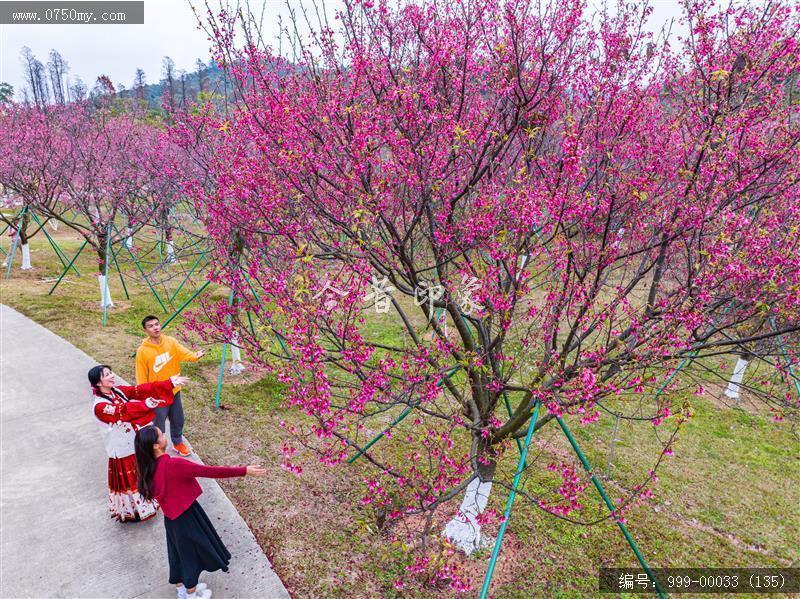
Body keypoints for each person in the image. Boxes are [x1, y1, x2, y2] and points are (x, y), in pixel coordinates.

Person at [134, 426, 266, 599]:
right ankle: (190, 594)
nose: (165, 435)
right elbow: (210, 471)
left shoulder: (149, 469)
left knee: (178, 555)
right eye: (161, 435)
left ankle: (182, 590)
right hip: (187, 517)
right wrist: (244, 471)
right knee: (191, 557)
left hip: (172, 520)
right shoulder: (174, 465)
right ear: (155, 446)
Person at [88, 364, 189, 522]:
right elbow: (124, 411)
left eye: (111, 372)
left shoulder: (118, 390)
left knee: (143, 474)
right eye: (107, 375)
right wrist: (145, 405)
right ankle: (132, 511)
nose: (112, 376)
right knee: (132, 480)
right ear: (98, 383)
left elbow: (141, 390)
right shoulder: (100, 406)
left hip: (133, 442)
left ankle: (147, 503)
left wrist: (168, 383)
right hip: (121, 449)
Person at [136, 315, 205, 457]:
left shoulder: (170, 342)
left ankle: (177, 442)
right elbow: (141, 375)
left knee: (178, 418)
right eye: (151, 326)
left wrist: (194, 356)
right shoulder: (142, 351)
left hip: (174, 390)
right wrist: (144, 395)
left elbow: (183, 352)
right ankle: (158, 447)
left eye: (157, 324)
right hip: (157, 395)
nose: (155, 327)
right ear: (145, 330)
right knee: (158, 423)